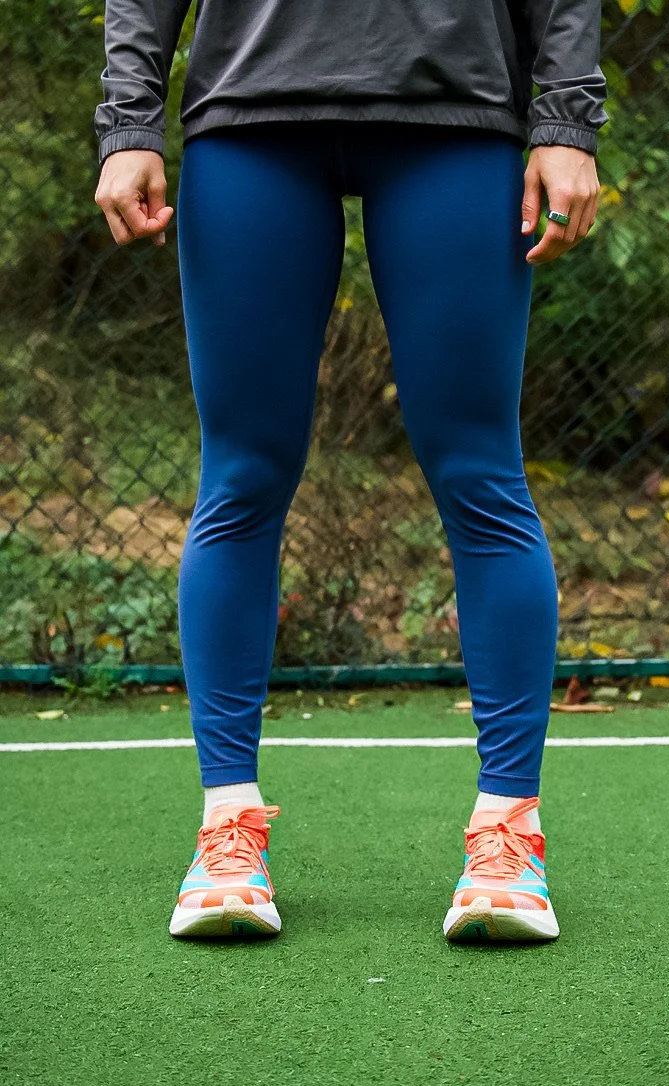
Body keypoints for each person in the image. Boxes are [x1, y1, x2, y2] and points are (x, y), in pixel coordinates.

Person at [94, 1, 608, 943]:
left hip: (455, 116)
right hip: (251, 117)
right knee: (242, 480)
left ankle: (509, 838)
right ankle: (227, 838)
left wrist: (567, 120)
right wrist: (128, 122)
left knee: (481, 479)